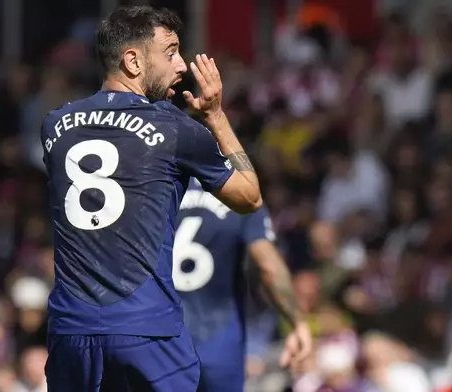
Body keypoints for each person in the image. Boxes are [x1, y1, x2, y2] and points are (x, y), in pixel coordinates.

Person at [41, 5, 276, 391]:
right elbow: (249, 197)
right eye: (170, 52)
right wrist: (215, 116)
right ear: (133, 60)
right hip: (147, 331)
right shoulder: (177, 129)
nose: (181, 65)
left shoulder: (56, 126)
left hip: (71, 332)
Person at [174, 179, 312, 391]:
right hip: (218, 340)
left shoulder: (156, 185)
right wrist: (297, 322)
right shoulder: (239, 191)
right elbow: (269, 266)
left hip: (160, 336)